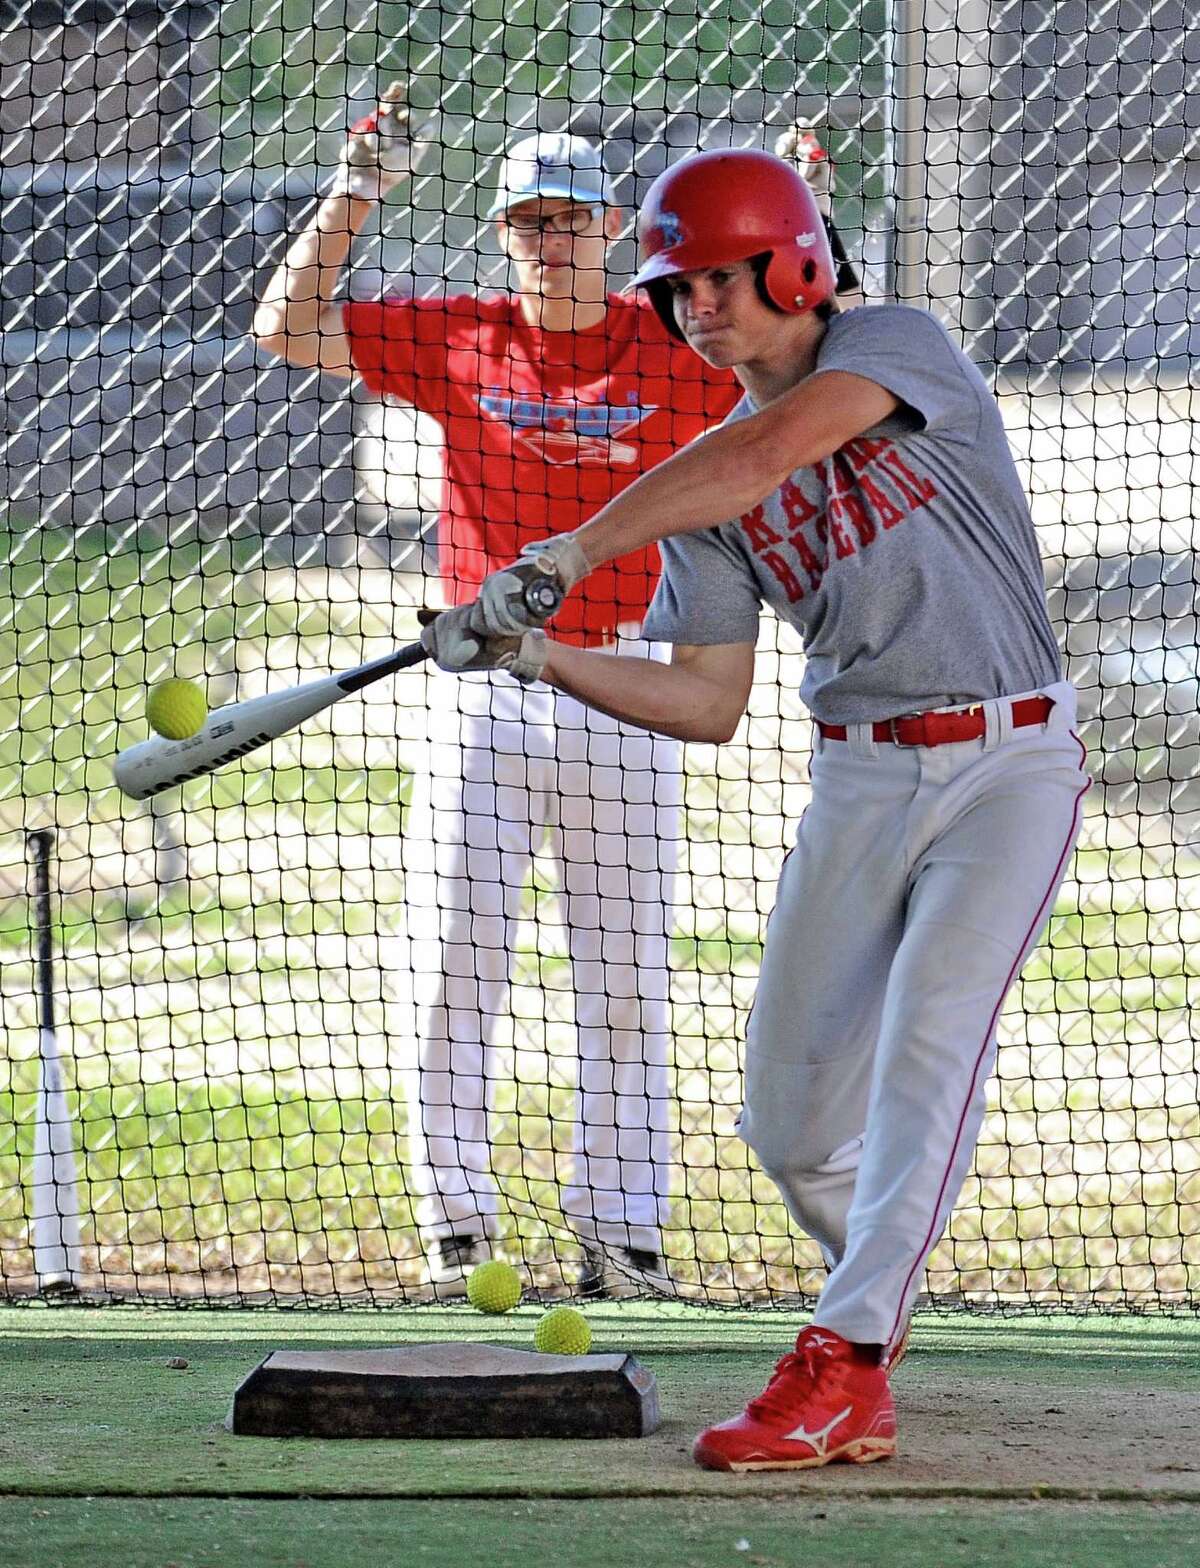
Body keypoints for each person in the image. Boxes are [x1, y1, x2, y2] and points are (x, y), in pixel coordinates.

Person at [422, 147, 1091, 1468]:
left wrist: (563, 557)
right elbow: (706, 700)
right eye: (679, 291)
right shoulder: (703, 500)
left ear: (793, 263)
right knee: (787, 1128)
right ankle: (882, 1311)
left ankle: (840, 1360)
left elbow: (773, 443)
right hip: (860, 773)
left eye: (717, 280)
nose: (693, 309)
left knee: (927, 1051)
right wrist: (540, 652)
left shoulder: (899, 347)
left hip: (1011, 764)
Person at [252, 88, 766, 1295]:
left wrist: (811, 225)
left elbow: (802, 359)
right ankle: (458, 1220)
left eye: (573, 220)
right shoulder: (461, 334)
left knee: (627, 969)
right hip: (484, 682)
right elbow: (284, 325)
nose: (553, 240)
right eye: (530, 223)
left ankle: (622, 1224)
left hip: (632, 673)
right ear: (501, 235)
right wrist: (358, 187)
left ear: (612, 231)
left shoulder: (673, 340)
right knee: (453, 960)